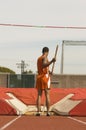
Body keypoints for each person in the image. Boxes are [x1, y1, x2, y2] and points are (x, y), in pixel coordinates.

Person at [36, 47, 56, 116]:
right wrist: (51, 61)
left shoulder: (39, 58)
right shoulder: (45, 58)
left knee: (39, 95)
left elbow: (43, 67)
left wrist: (49, 72)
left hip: (39, 77)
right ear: (47, 52)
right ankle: (48, 112)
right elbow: (44, 65)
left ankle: (38, 111)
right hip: (45, 78)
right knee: (47, 95)